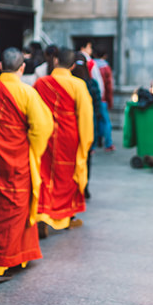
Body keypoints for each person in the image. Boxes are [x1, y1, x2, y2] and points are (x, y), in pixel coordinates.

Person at [0, 47, 54, 283]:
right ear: (22, 68)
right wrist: (31, 150)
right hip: (17, 163)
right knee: (14, 212)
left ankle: (2, 258)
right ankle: (1, 265)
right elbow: (43, 128)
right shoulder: (28, 93)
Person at [34, 47, 93, 233]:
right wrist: (86, 143)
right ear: (73, 65)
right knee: (68, 176)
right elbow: (85, 116)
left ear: (56, 61)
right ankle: (66, 216)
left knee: (45, 174)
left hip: (45, 135)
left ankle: (43, 215)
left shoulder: (41, 83)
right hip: (69, 137)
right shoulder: (78, 85)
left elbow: (33, 110)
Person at [72, 52, 102, 199]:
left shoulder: (69, 85)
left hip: (71, 129)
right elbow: (98, 108)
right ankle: (85, 187)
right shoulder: (91, 84)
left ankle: (75, 188)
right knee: (86, 159)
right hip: (89, 128)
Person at [93, 46, 115, 151]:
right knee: (106, 121)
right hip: (102, 98)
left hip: (92, 97)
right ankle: (108, 144)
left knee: (95, 121)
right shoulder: (105, 67)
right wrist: (109, 100)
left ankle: (96, 143)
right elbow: (109, 85)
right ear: (105, 56)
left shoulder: (91, 65)